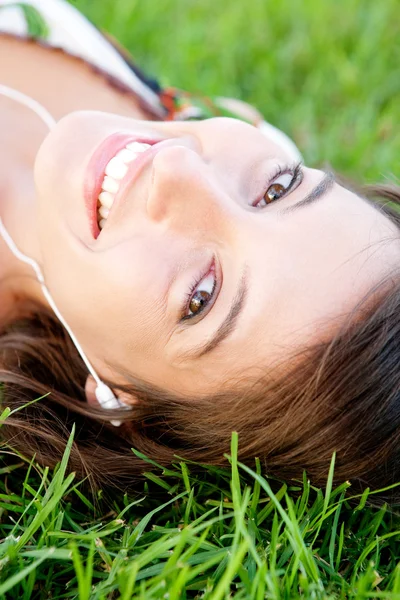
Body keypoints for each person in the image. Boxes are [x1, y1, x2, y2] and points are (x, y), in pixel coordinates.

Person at [0, 0, 399, 494]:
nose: (177, 168)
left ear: (120, 396)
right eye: (277, 189)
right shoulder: (210, 120)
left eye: (201, 295)